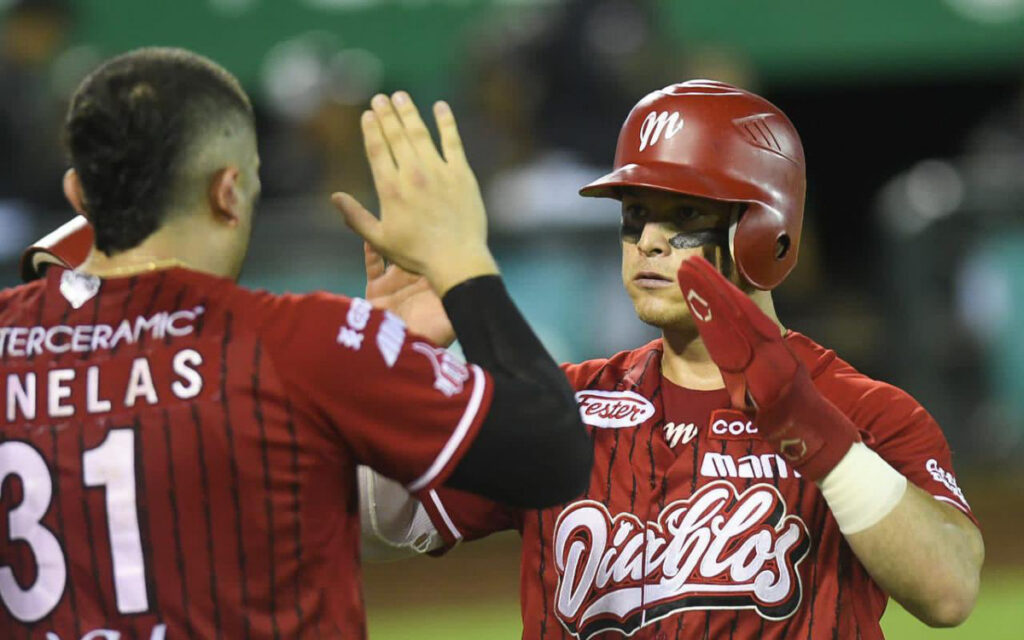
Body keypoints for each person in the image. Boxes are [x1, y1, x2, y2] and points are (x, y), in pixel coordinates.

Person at [356, 80, 985, 638]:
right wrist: (392, 361)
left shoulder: (863, 409)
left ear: (765, 230)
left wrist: (820, 438)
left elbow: (949, 592)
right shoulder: (565, 408)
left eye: (684, 215)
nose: (648, 241)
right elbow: (395, 516)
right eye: (635, 216)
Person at [0, 47, 593, 638]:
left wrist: (398, 363)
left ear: (78, 194)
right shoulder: (301, 344)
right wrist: (462, 262)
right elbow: (552, 454)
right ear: (228, 191)